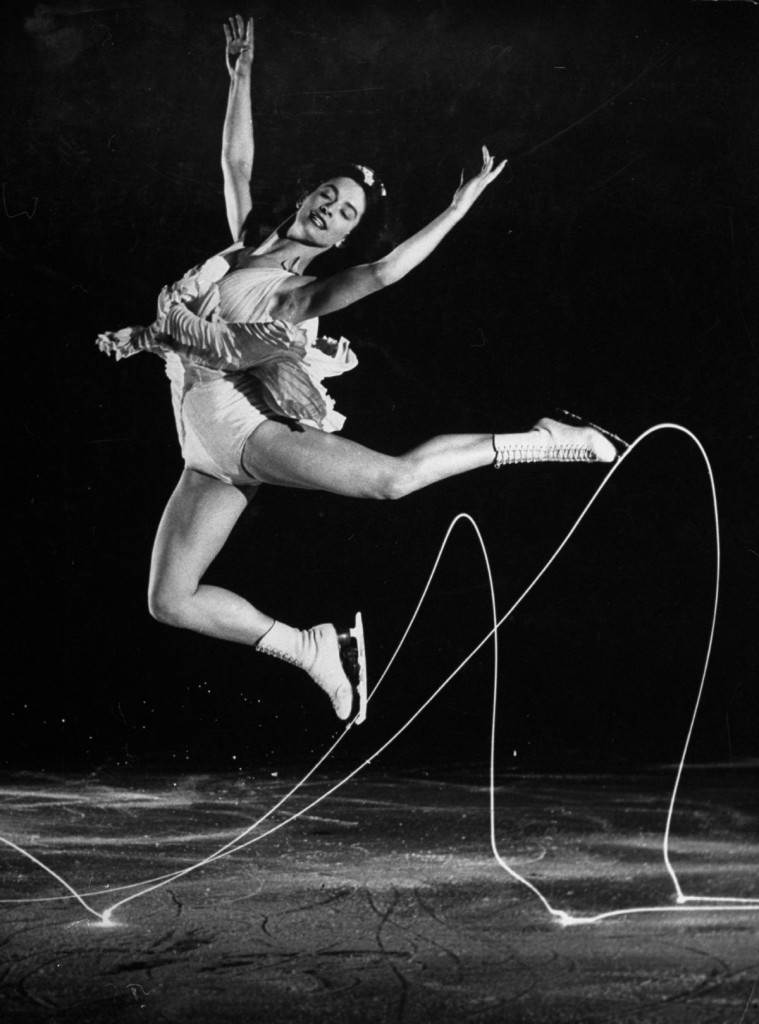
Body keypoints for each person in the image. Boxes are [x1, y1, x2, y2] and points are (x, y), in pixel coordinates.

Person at [98, 16, 624, 727]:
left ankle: (546, 438)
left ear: (343, 235)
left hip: (244, 430)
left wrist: (457, 207)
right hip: (203, 454)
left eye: (345, 213)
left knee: (392, 481)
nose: (331, 209)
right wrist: (240, 76)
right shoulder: (240, 248)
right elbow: (237, 165)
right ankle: (309, 647)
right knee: (171, 601)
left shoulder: (297, 294)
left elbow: (386, 271)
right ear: (308, 195)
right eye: (328, 195)